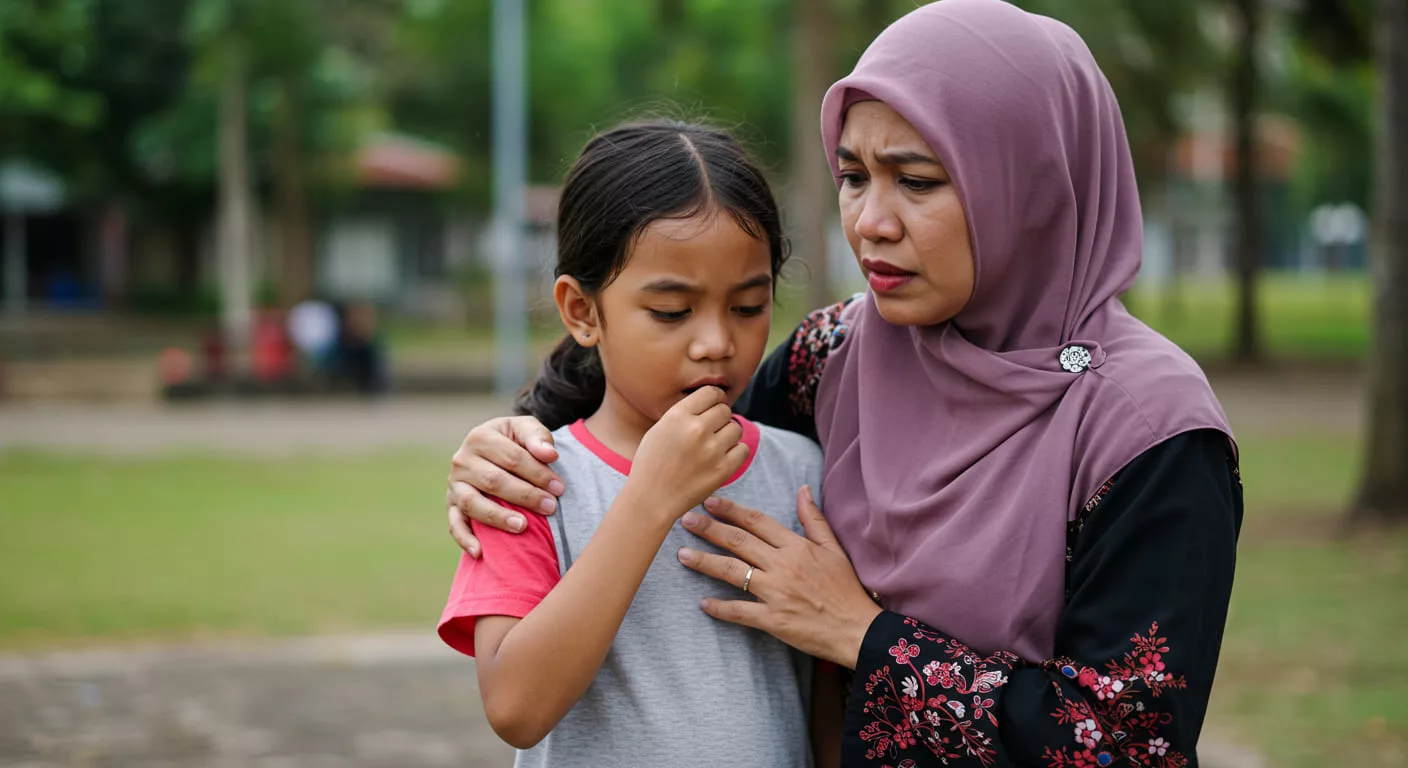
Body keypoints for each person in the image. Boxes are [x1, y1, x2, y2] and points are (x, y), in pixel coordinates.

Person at [444, 2, 1242, 766]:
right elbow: (654, 437)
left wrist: (865, 637)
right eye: (853, 176)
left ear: (1032, 186)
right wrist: (507, 449)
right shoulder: (843, 353)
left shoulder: (1147, 428)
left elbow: (1125, 745)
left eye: (917, 181)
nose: (869, 221)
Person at [436, 120, 839, 767]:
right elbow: (516, 707)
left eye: (747, 306)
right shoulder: (526, 483)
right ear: (581, 311)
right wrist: (650, 498)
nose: (716, 342)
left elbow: (828, 707)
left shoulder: (804, 472)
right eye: (672, 312)